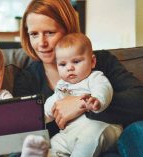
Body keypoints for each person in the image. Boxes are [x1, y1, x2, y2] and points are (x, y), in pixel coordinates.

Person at [14, 0, 143, 156]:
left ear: (68, 30)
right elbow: (26, 129)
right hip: (62, 147)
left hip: (108, 142)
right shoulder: (26, 79)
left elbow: (139, 99)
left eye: (50, 32)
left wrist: (81, 104)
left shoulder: (100, 62)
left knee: (138, 130)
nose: (42, 43)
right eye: (34, 34)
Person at [24, 33, 123, 157]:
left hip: (101, 128)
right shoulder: (62, 86)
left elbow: (104, 88)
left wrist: (97, 100)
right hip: (69, 133)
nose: (70, 68)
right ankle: (36, 154)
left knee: (89, 137)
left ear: (92, 61)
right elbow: (53, 102)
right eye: (63, 64)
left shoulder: (94, 77)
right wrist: (40, 116)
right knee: (54, 143)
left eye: (76, 62)